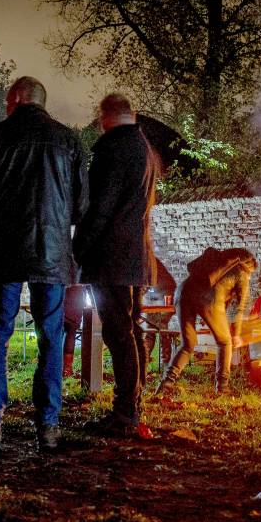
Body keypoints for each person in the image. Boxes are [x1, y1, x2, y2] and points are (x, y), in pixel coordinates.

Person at [0, 76, 86, 454]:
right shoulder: (68, 141)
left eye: (7, 101)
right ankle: (48, 426)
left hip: (4, 251)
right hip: (50, 253)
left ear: (17, 98)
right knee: (51, 337)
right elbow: (81, 206)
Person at [73, 93, 158, 436]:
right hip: (136, 255)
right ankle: (133, 405)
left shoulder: (112, 149)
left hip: (111, 256)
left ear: (106, 116)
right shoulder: (144, 148)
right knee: (131, 329)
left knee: (118, 332)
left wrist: (80, 247)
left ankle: (125, 413)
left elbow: (100, 207)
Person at [156, 248, 257, 394]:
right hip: (208, 298)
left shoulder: (215, 263)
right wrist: (237, 334)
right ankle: (222, 387)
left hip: (182, 292)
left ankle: (167, 383)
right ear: (250, 265)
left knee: (188, 344)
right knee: (225, 342)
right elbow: (241, 308)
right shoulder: (242, 272)